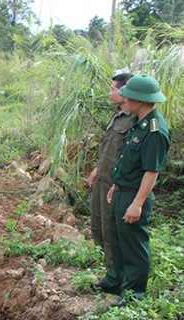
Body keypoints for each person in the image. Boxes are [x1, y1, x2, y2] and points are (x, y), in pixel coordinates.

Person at [95, 75, 171, 308]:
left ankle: (133, 295)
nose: (124, 99)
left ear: (140, 100)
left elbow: (151, 172)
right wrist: (116, 187)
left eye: (129, 96)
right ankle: (115, 280)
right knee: (117, 240)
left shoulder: (155, 130)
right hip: (121, 191)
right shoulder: (138, 123)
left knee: (134, 245)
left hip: (134, 195)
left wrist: (137, 203)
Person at [88, 73, 134, 267]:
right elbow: (108, 146)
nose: (109, 93)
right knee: (97, 225)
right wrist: (97, 168)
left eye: (113, 89)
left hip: (115, 182)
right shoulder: (117, 115)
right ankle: (105, 266)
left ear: (124, 93)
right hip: (102, 177)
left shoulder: (134, 120)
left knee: (110, 229)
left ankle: (113, 272)